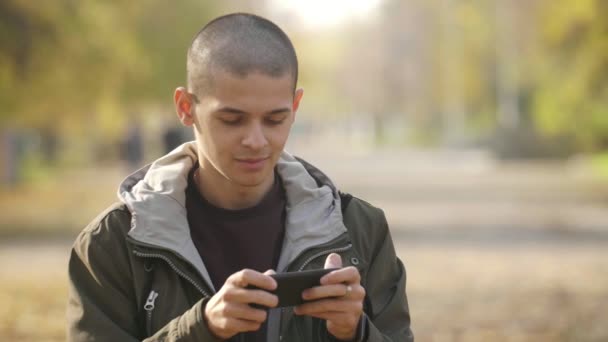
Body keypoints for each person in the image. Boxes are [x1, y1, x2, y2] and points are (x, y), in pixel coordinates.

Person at [67, 13, 413, 342]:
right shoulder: (113, 242)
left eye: (275, 120)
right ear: (186, 107)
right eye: (233, 120)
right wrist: (202, 328)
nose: (256, 141)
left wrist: (355, 331)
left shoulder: (359, 231)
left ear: (295, 107)